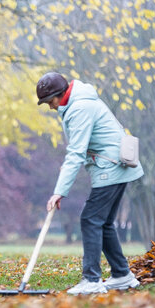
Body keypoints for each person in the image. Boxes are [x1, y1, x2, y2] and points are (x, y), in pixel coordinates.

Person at [38, 72, 143, 295]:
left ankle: (92, 279)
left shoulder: (79, 108)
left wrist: (59, 192)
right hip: (114, 165)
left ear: (60, 94)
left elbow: (75, 152)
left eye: (50, 101)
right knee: (103, 223)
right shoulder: (78, 103)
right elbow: (85, 146)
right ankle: (122, 275)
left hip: (111, 167)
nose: (49, 107)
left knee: (90, 219)